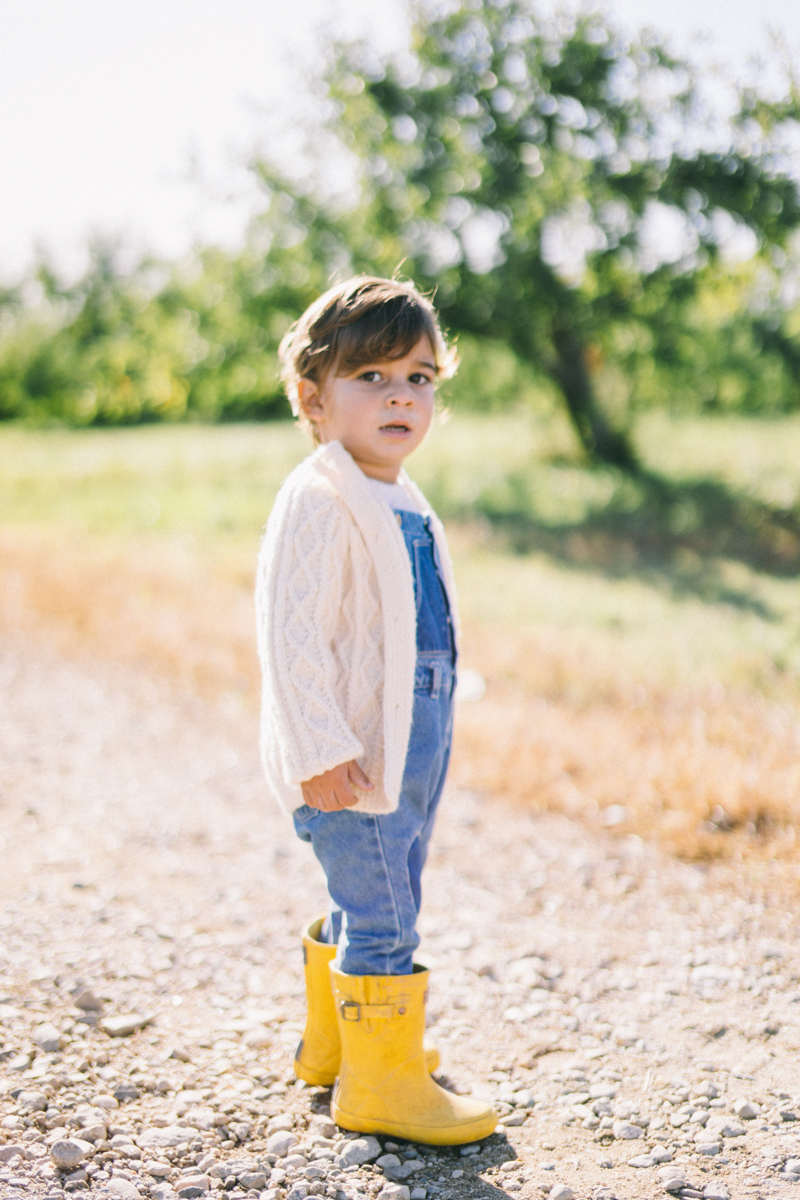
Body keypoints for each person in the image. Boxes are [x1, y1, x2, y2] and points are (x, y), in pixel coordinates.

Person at [255, 276, 496, 1145]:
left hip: (410, 735)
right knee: (387, 903)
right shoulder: (321, 496)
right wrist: (318, 746)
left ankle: (341, 1045)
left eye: (420, 378)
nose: (402, 394)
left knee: (387, 880)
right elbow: (293, 638)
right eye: (374, 377)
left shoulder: (398, 492)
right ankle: (380, 1084)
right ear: (313, 400)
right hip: (350, 745)